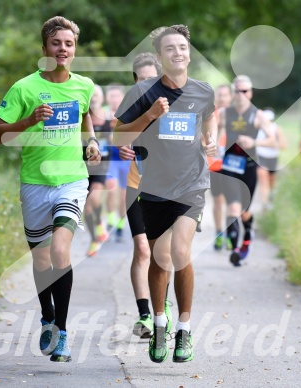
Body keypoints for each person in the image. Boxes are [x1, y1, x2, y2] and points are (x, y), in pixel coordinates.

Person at [0, 16, 101, 363]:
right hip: (35, 184)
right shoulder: (24, 88)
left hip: (71, 181)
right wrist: (28, 120)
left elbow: (85, 115)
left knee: (59, 251)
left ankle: (63, 334)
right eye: (56, 43)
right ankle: (48, 317)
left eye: (68, 44)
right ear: (44, 49)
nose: (63, 49)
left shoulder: (84, 85)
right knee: (41, 259)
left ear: (74, 49)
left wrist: (92, 142)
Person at [113, 25, 217, 363]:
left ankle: (184, 331)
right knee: (160, 260)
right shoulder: (143, 92)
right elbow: (117, 137)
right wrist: (150, 115)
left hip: (192, 185)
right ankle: (160, 324)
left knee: (180, 252)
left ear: (189, 53)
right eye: (170, 48)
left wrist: (210, 137)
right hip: (154, 188)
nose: (178, 53)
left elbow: (209, 115)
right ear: (160, 57)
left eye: (183, 47)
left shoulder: (203, 91)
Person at [117, 53, 173, 339]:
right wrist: (122, 147)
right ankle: (145, 315)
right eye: (140, 80)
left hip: (165, 188)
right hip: (135, 185)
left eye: (150, 79)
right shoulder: (132, 106)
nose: (144, 85)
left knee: (164, 253)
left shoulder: (171, 104)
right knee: (142, 249)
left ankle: (162, 305)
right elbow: (117, 137)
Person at [219, 75, 274, 267]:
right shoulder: (225, 113)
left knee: (244, 212)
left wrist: (254, 142)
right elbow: (212, 131)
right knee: (233, 207)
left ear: (250, 93)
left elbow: (272, 139)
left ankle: (247, 238)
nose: (241, 95)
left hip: (249, 167)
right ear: (233, 93)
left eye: (245, 91)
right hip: (229, 167)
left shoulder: (258, 115)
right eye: (237, 91)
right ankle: (235, 250)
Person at [84, 84, 110, 256]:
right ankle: (94, 238)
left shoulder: (109, 118)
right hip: (83, 165)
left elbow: (116, 141)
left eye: (96, 95)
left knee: (94, 196)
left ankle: (100, 223)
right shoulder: (83, 117)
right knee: (86, 210)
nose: (93, 98)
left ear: (102, 98)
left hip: (102, 164)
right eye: (91, 95)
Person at [104, 84, 130, 241]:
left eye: (117, 96)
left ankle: (120, 225)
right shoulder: (103, 115)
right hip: (111, 159)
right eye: (111, 96)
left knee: (124, 195)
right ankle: (110, 219)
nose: (114, 99)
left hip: (126, 160)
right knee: (110, 188)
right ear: (108, 98)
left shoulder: (129, 113)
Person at [210, 85, 232, 251]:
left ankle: (231, 232)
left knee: (232, 201)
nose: (222, 98)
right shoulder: (211, 115)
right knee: (218, 200)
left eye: (225, 95)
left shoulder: (237, 115)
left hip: (233, 165)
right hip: (215, 164)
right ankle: (219, 233)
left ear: (230, 97)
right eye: (220, 95)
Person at [256, 108, 287, 211]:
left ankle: (271, 199)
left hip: (273, 157)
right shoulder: (257, 128)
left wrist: (271, 144)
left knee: (271, 180)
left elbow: (283, 145)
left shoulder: (277, 129)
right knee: (263, 178)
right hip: (261, 156)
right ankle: (265, 204)